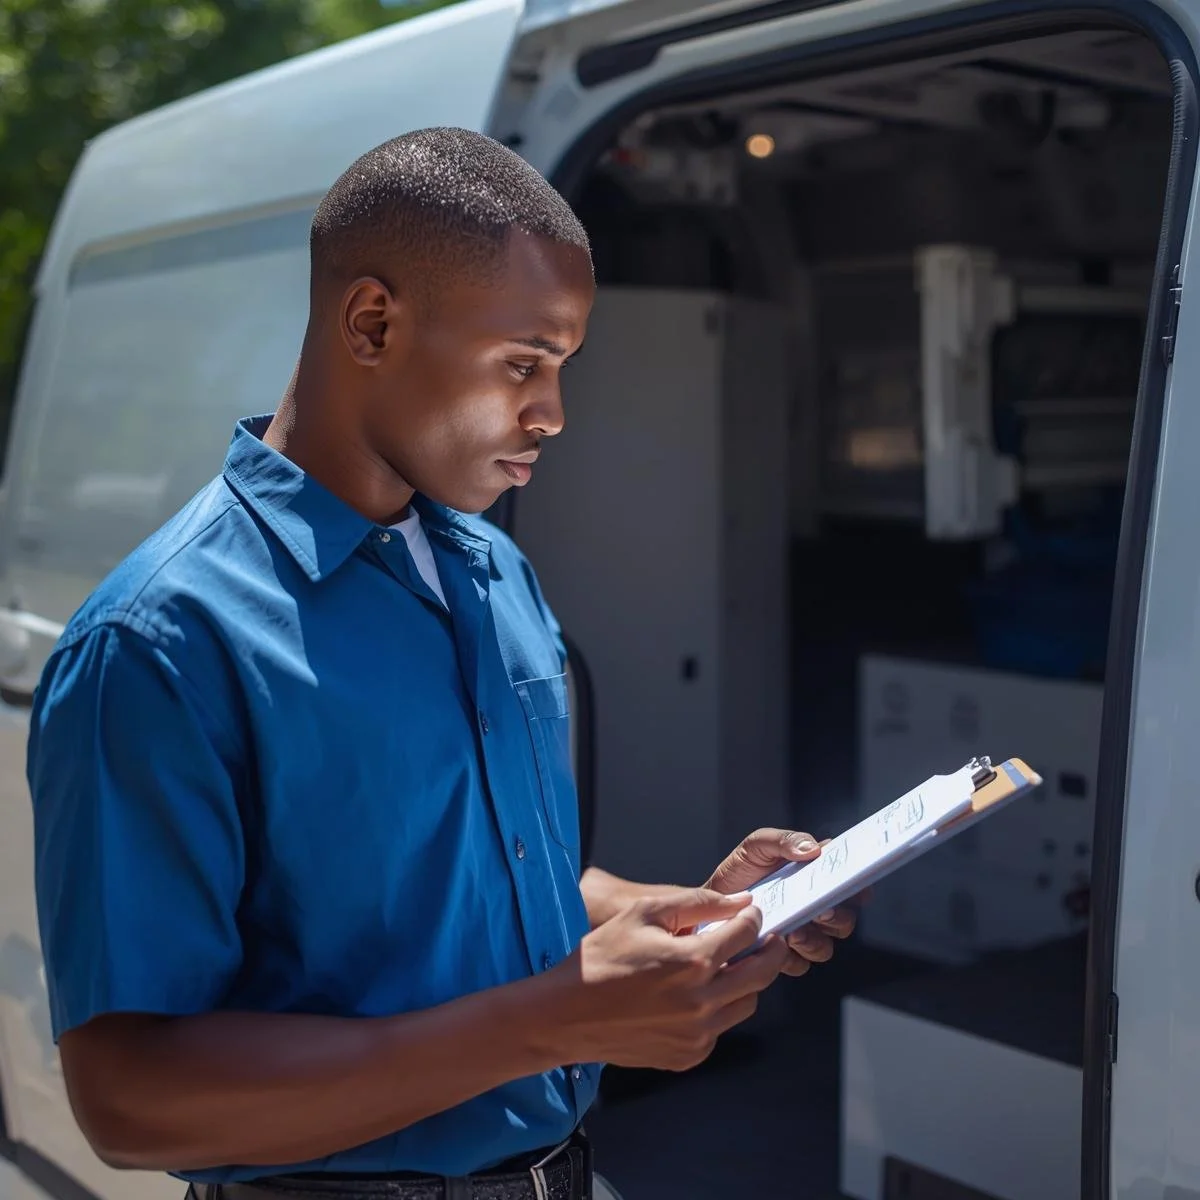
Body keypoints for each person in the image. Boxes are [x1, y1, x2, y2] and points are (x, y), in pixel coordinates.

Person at [26, 128, 856, 1200]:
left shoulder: (492, 567)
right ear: (372, 322)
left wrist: (678, 916)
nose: (553, 414)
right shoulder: (158, 642)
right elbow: (128, 1099)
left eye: (562, 369)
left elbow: (483, 875)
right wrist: (560, 1016)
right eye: (525, 363)